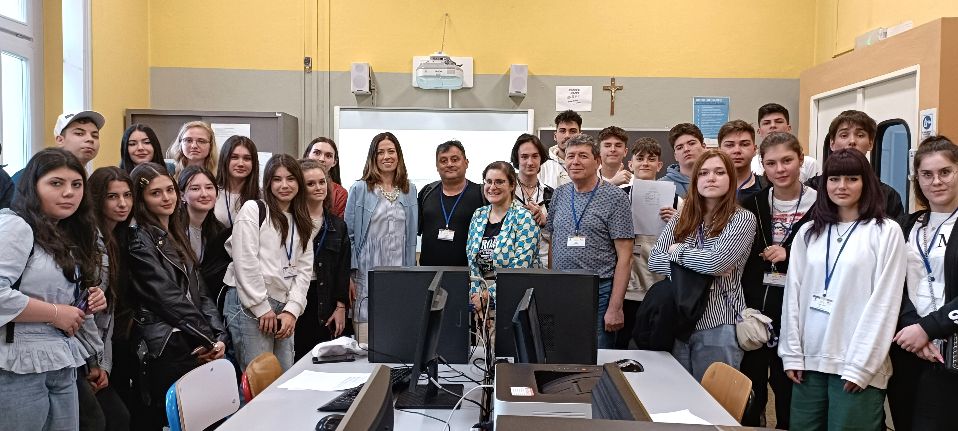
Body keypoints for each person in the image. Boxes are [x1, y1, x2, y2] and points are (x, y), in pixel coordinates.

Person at [780, 149, 906, 430]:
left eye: (852, 178)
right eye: (834, 179)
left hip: (855, 363)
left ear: (866, 183)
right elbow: (793, 296)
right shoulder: (809, 232)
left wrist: (862, 365)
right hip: (808, 362)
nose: (842, 186)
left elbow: (885, 302)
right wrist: (791, 353)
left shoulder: (885, 231)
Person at [0, 148, 107, 431]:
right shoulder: (16, 225)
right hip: (16, 362)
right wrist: (56, 313)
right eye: (56, 183)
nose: (69, 193)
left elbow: (50, 293)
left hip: (61, 358)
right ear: (33, 187)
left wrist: (86, 299)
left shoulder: (65, 232)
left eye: (76, 184)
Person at [126, 163, 227, 430]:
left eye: (169, 190)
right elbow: (166, 297)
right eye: (155, 193)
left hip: (191, 336)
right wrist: (206, 338)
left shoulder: (175, 232)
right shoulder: (138, 238)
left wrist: (218, 337)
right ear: (141, 199)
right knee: (176, 421)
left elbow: (200, 293)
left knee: (203, 419)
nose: (166, 198)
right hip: (166, 342)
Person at [649, 150, 756, 381]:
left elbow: (716, 263)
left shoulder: (742, 218)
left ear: (731, 178)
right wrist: (705, 265)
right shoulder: (681, 217)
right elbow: (655, 259)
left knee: (715, 399)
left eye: (719, 172)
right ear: (695, 179)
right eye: (704, 173)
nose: (711, 178)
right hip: (679, 320)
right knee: (680, 395)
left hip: (719, 322)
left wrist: (677, 251)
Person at [738, 133, 817, 428]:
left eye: (787, 160)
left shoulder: (822, 205)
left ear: (801, 159)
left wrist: (791, 253)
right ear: (762, 165)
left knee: (789, 387)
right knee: (752, 387)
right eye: (771, 163)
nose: (780, 169)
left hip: (799, 312)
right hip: (755, 311)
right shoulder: (751, 204)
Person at [888, 136, 958, 431]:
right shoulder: (905, 225)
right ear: (917, 178)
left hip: (950, 351)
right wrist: (913, 327)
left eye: (945, 172)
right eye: (927, 174)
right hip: (908, 348)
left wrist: (928, 329)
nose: (936, 181)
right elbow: (891, 283)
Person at [223, 154, 314, 371]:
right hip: (250, 303)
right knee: (258, 381)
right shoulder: (254, 209)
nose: (284, 185)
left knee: (283, 376)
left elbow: (304, 270)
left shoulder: (302, 219)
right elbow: (245, 261)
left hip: (284, 306)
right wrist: (261, 307)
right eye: (277, 179)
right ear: (268, 183)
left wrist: (292, 310)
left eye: (291, 179)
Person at [545, 134, 633, 348]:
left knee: (598, 355)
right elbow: (553, 240)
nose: (575, 162)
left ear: (597, 161)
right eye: (570, 156)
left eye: (583, 156)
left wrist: (615, 307)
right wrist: (551, 284)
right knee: (562, 351)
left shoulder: (615, 198)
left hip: (599, 291)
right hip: (562, 288)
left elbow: (626, 257)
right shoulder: (559, 194)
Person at [345, 132, 418, 343]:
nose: (387, 156)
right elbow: (349, 236)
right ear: (373, 157)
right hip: (366, 274)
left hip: (399, 274)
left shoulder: (409, 190)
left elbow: (411, 237)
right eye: (381, 152)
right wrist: (350, 275)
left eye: (391, 151)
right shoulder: (360, 189)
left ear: (398, 155)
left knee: (397, 341)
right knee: (366, 344)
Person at [614, 137, 680, 349]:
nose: (645, 163)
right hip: (627, 286)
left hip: (658, 284)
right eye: (640, 158)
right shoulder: (618, 196)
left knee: (653, 347)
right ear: (630, 164)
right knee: (621, 345)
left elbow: (687, 239)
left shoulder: (675, 200)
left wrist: (677, 221)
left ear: (659, 165)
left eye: (651, 159)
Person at [86, 167, 134, 431]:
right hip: (83, 354)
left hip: (101, 352)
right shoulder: (92, 241)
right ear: (96, 199)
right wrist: (96, 364)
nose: (122, 203)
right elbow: (92, 311)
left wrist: (103, 364)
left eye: (127, 195)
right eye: (112, 197)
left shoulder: (117, 237)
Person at [805, 110, 905, 224]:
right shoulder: (812, 189)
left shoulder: (887, 196)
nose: (852, 141)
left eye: (860, 135)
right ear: (832, 143)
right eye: (844, 135)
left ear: (871, 143)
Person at [294, 160, 350, 360]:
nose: (318, 187)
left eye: (321, 182)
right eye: (310, 184)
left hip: (326, 299)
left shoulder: (338, 226)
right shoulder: (291, 222)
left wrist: (341, 307)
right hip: (297, 297)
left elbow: (342, 270)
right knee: (298, 359)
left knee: (325, 360)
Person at [466, 161, 540, 305]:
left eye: (499, 182)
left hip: (514, 297)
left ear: (512, 185)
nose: (492, 187)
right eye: (488, 181)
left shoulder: (524, 218)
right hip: (479, 297)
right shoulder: (478, 215)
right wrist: (476, 298)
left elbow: (520, 268)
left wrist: (486, 297)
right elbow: (472, 264)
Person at [418, 140, 485, 266]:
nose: (449, 164)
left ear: (466, 163)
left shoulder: (482, 194)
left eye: (455, 159)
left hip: (469, 272)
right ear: (437, 166)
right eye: (443, 161)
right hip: (428, 272)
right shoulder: (427, 192)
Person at [11, 110, 106, 186]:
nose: (90, 139)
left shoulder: (92, 181)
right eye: (79, 133)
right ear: (60, 140)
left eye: (95, 136)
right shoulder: (31, 175)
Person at [750, 103, 821, 182]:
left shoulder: (810, 164)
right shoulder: (751, 165)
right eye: (766, 123)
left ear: (788, 128)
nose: (773, 125)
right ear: (759, 131)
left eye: (779, 121)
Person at [510, 134, 552, 266]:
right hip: (512, 264)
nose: (530, 162)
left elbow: (558, 236)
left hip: (544, 266)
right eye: (524, 157)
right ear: (517, 159)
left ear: (541, 158)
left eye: (535, 156)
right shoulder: (506, 192)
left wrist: (544, 223)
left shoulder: (551, 194)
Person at [178, 166, 226, 271]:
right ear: (182, 196)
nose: (204, 194)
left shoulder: (218, 230)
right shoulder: (172, 228)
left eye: (209, 188)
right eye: (195, 189)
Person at [212, 135, 260, 228]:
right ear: (225, 159)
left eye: (247, 158)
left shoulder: (261, 196)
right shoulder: (212, 193)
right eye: (234, 157)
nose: (241, 164)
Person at [717, 120, 767, 200]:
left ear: (754, 149)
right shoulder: (708, 187)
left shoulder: (768, 187)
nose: (737, 150)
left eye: (744, 144)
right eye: (729, 145)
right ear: (719, 151)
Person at [304, 137, 348, 217]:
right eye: (317, 153)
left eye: (328, 156)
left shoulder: (339, 193)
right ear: (307, 155)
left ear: (334, 162)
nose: (322, 159)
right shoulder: (293, 184)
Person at [659, 123, 707, 198]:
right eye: (679, 147)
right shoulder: (661, 186)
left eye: (691, 143)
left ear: (704, 147)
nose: (686, 149)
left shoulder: (716, 179)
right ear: (675, 156)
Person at [539, 110, 575, 189]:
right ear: (555, 136)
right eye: (562, 131)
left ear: (580, 136)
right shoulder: (542, 166)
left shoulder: (590, 165)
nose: (567, 136)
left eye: (572, 131)